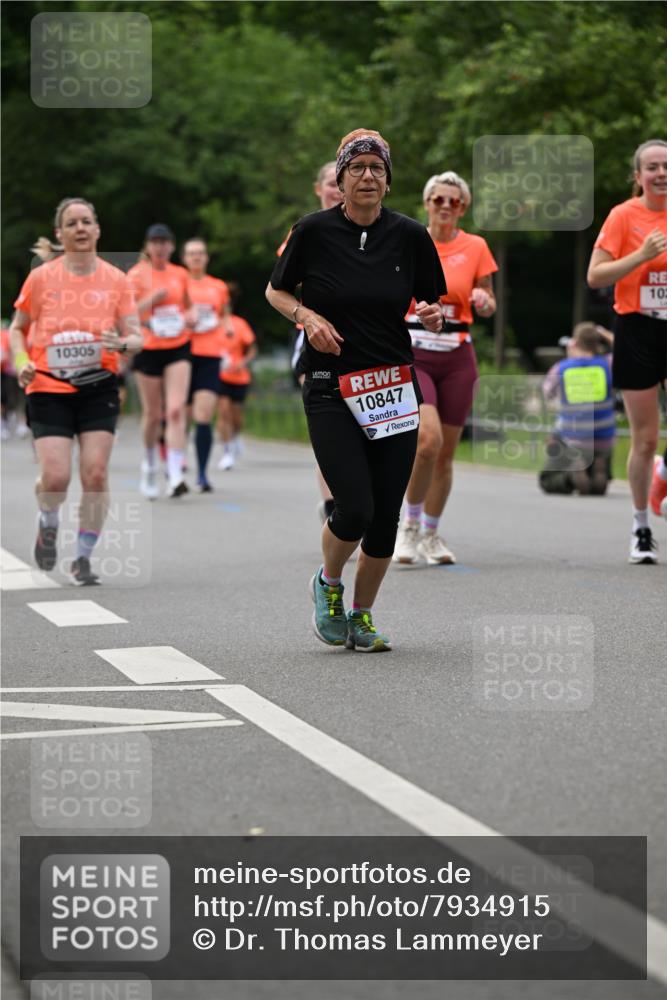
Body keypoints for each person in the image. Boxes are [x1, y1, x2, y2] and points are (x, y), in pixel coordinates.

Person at [266, 128, 445, 651]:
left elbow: (429, 304)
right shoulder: (313, 231)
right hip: (329, 384)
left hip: (391, 384)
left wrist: (431, 315)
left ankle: (362, 616)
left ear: (388, 181)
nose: (368, 177)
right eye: (357, 168)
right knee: (356, 507)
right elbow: (275, 290)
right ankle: (329, 584)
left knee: (386, 516)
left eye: (377, 169)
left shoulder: (411, 235)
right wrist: (306, 317)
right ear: (339, 180)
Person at [8, 197, 142, 584]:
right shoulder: (41, 277)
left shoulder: (117, 280)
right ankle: (47, 521)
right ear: (59, 234)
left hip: (97, 384)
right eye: (72, 223)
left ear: (97, 229)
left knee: (96, 475)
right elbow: (17, 328)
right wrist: (21, 363)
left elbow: (138, 338)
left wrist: (122, 344)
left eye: (87, 221)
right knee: (55, 478)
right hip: (48, 384)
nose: (80, 228)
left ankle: (82, 557)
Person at [393, 171, 497, 565]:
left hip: (457, 356)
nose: (446, 207)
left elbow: (487, 298)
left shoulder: (476, 246)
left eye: (454, 201)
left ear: (463, 207)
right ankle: (409, 527)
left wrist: (485, 302)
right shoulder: (409, 241)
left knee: (445, 455)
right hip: (415, 351)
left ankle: (431, 535)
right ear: (427, 203)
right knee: (427, 442)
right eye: (439, 199)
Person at [587, 138, 667, 563]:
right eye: (652, 167)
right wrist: (641, 255)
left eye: (666, 166)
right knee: (646, 437)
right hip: (637, 328)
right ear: (638, 177)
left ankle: (663, 475)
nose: (661, 173)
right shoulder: (624, 216)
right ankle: (640, 527)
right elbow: (596, 276)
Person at [279, 161, 343, 521]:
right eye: (330, 184)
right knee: (329, 424)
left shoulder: (370, 229)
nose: (336, 189)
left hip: (360, 340)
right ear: (318, 189)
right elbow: (282, 287)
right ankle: (334, 506)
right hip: (313, 338)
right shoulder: (304, 231)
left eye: (340, 182)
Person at [128, 224, 193, 499]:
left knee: (176, 410)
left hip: (178, 345)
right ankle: (150, 464)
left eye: (165, 242)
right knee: (153, 415)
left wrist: (189, 317)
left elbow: (189, 306)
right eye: (155, 242)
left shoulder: (180, 274)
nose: (160, 247)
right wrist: (151, 300)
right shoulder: (135, 275)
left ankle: (176, 473)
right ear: (147, 246)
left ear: (172, 246)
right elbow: (126, 314)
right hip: (148, 347)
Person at [539, 323, 615, 495]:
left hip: (574, 437)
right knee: (600, 450)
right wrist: (604, 334)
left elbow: (547, 393)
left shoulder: (562, 368)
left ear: (575, 343)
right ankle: (600, 465)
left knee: (557, 434)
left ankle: (575, 471)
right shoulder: (607, 365)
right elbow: (627, 351)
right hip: (604, 436)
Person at [182, 237, 230, 491]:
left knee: (203, 415)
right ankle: (173, 465)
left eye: (201, 253)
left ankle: (201, 474)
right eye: (192, 254)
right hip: (181, 355)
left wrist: (228, 331)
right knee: (179, 415)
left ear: (206, 257)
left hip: (210, 354)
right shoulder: (179, 282)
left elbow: (224, 315)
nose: (197, 257)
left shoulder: (218, 286)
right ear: (185, 258)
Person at [216, 298, 257, 470]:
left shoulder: (240, 324)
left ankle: (237, 434)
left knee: (236, 415)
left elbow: (252, 347)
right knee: (224, 411)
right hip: (219, 375)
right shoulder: (212, 324)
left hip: (239, 376)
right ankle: (227, 451)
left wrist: (244, 362)